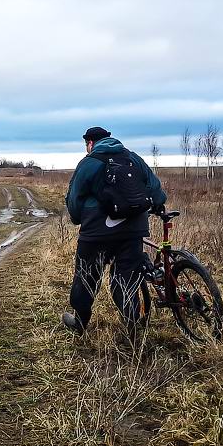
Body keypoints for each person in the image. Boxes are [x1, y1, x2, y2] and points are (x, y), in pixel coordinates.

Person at [62, 126, 167, 335]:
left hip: (96, 233)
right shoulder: (132, 158)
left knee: (86, 277)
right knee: (126, 279)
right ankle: (133, 329)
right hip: (133, 230)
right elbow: (155, 188)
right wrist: (156, 205)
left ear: (90, 143)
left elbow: (74, 200)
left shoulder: (88, 163)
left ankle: (80, 323)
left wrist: (77, 219)